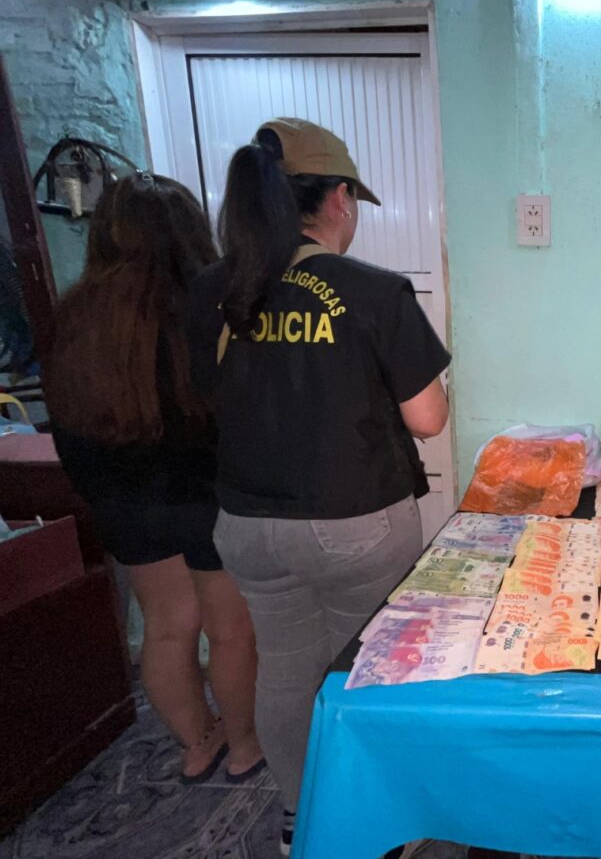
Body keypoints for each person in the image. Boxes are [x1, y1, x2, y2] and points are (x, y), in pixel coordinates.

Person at [186, 118, 450, 855]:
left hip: (246, 524)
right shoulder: (369, 291)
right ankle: (374, 827)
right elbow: (428, 419)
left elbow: (208, 397)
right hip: (353, 522)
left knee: (284, 670)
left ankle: (301, 819)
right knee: (362, 678)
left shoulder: (210, 290)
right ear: (337, 198)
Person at [44, 174, 263, 784]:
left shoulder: (74, 317)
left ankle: (198, 744)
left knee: (166, 630)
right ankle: (245, 747)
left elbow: (66, 420)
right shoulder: (212, 306)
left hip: (124, 497)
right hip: (209, 494)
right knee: (231, 632)